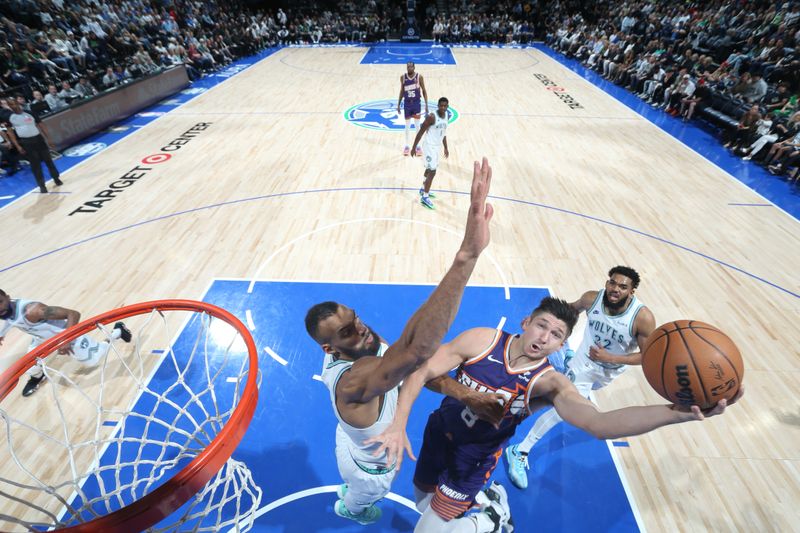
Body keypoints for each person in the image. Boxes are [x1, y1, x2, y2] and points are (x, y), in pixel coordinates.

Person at [369, 297, 741, 532]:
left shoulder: (551, 383)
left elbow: (598, 424)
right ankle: (492, 503)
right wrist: (401, 422)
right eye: (542, 325)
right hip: (437, 436)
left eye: (556, 334)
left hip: (473, 461)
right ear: (527, 321)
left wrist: (676, 412)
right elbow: (421, 371)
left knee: (428, 530)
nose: (545, 337)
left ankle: (490, 521)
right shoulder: (481, 340)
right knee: (422, 502)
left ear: (562, 345)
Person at [305, 158, 497, 525]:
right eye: (348, 331)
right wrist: (466, 258)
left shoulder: (359, 343)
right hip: (371, 468)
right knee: (363, 501)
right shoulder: (355, 378)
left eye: (355, 319)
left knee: (353, 434)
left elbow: (415, 365)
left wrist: (464, 394)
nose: (360, 329)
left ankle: (352, 490)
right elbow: (416, 350)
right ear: (330, 349)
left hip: (351, 439)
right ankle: (352, 507)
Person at [505, 266, 655, 489]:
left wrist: (612, 359)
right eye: (612, 283)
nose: (615, 289)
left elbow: (648, 356)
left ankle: (566, 362)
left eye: (623, 287)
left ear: (631, 292)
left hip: (608, 370)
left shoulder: (642, 318)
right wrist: (549, 328)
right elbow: (570, 313)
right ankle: (520, 449)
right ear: (607, 282)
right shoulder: (591, 299)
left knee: (579, 390)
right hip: (584, 363)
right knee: (564, 410)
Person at [0, 289, 132, 397]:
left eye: (0, 302)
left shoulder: (34, 311)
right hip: (42, 338)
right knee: (30, 366)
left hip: (65, 333)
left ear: (8, 297)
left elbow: (73, 314)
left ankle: (117, 332)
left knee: (94, 360)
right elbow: (12, 320)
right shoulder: (6, 311)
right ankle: (37, 377)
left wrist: (66, 340)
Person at [4, 98, 62, 193]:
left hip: (38, 139)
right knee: (35, 165)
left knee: (48, 160)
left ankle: (56, 178)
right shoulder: (10, 118)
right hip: (26, 142)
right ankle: (42, 185)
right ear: (9, 106)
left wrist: (49, 138)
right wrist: (18, 146)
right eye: (11, 104)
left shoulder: (29, 112)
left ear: (17, 103)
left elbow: (41, 125)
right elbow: (10, 133)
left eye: (14, 103)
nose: (13, 106)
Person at [411, 97, 449, 210]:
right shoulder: (432, 117)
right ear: (438, 106)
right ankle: (425, 197)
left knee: (429, 169)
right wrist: (414, 147)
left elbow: (443, 132)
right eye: (441, 105)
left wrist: (446, 147)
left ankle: (423, 189)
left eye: (445, 106)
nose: (443, 107)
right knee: (432, 171)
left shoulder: (447, 116)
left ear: (447, 107)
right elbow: (421, 132)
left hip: (437, 147)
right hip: (429, 146)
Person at [397, 61, 428, 157]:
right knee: (407, 126)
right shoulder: (403, 77)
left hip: (416, 104)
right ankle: (407, 146)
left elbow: (424, 90)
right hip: (407, 104)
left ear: (414, 67)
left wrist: (426, 104)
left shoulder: (419, 77)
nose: (409, 68)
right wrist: (398, 104)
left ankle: (418, 147)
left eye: (411, 67)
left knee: (417, 126)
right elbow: (402, 91)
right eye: (408, 67)